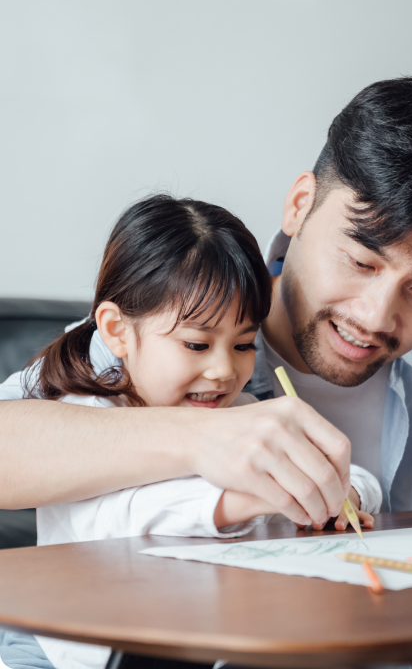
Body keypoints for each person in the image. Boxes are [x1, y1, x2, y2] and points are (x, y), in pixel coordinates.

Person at [0, 194, 382, 669]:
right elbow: (130, 517)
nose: (224, 369)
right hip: (68, 653)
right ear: (117, 330)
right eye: (196, 344)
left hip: (201, 639)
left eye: (244, 344)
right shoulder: (82, 415)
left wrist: (345, 496)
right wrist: (263, 494)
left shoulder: (241, 408)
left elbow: (353, 473)